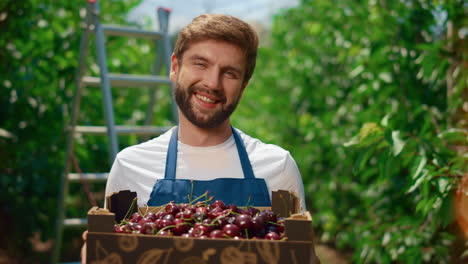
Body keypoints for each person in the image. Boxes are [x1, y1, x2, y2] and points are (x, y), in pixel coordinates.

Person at [82, 13, 306, 263]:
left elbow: (298, 252)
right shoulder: (130, 167)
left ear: (243, 86)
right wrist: (93, 253)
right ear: (175, 67)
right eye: (200, 64)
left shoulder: (278, 166)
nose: (212, 83)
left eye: (230, 73)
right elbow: (117, 251)